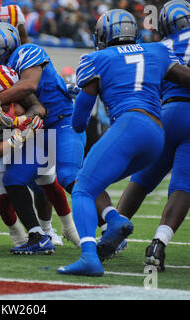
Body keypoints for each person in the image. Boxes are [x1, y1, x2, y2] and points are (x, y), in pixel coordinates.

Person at [57, 9, 190, 277]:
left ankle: (89, 257)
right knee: (98, 182)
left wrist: (79, 100)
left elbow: (80, 120)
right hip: (156, 133)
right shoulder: (157, 51)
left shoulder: (96, 59)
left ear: (103, 36)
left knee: (83, 187)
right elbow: (185, 78)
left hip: (130, 124)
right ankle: (116, 219)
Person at [0, 22, 82, 251]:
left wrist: (16, 121)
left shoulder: (14, 66)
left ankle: (72, 228)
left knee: (54, 179)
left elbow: (37, 106)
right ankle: (30, 237)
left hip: (32, 131)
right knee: (5, 193)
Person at [116, 0, 190, 272]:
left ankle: (113, 235)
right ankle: (159, 242)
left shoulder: (162, 47)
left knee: (142, 179)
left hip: (166, 113)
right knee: (183, 186)